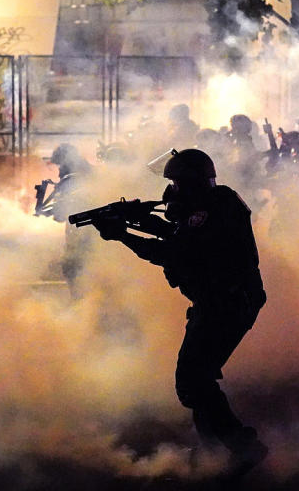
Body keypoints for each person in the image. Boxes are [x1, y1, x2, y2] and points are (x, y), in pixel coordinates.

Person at [91, 149, 268, 472]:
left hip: (227, 305)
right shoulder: (218, 202)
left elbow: (171, 251)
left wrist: (123, 235)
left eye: (175, 182)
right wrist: (140, 219)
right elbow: (180, 233)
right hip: (224, 302)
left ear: (191, 184)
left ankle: (244, 447)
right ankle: (215, 450)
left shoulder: (210, 213)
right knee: (199, 380)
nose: (170, 190)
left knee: (192, 383)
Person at [36, 143, 94, 296]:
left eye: (60, 165)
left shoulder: (70, 180)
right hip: (96, 236)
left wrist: (48, 212)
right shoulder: (90, 173)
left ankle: (83, 307)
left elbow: (61, 215)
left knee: (73, 269)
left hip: (79, 236)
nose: (59, 170)